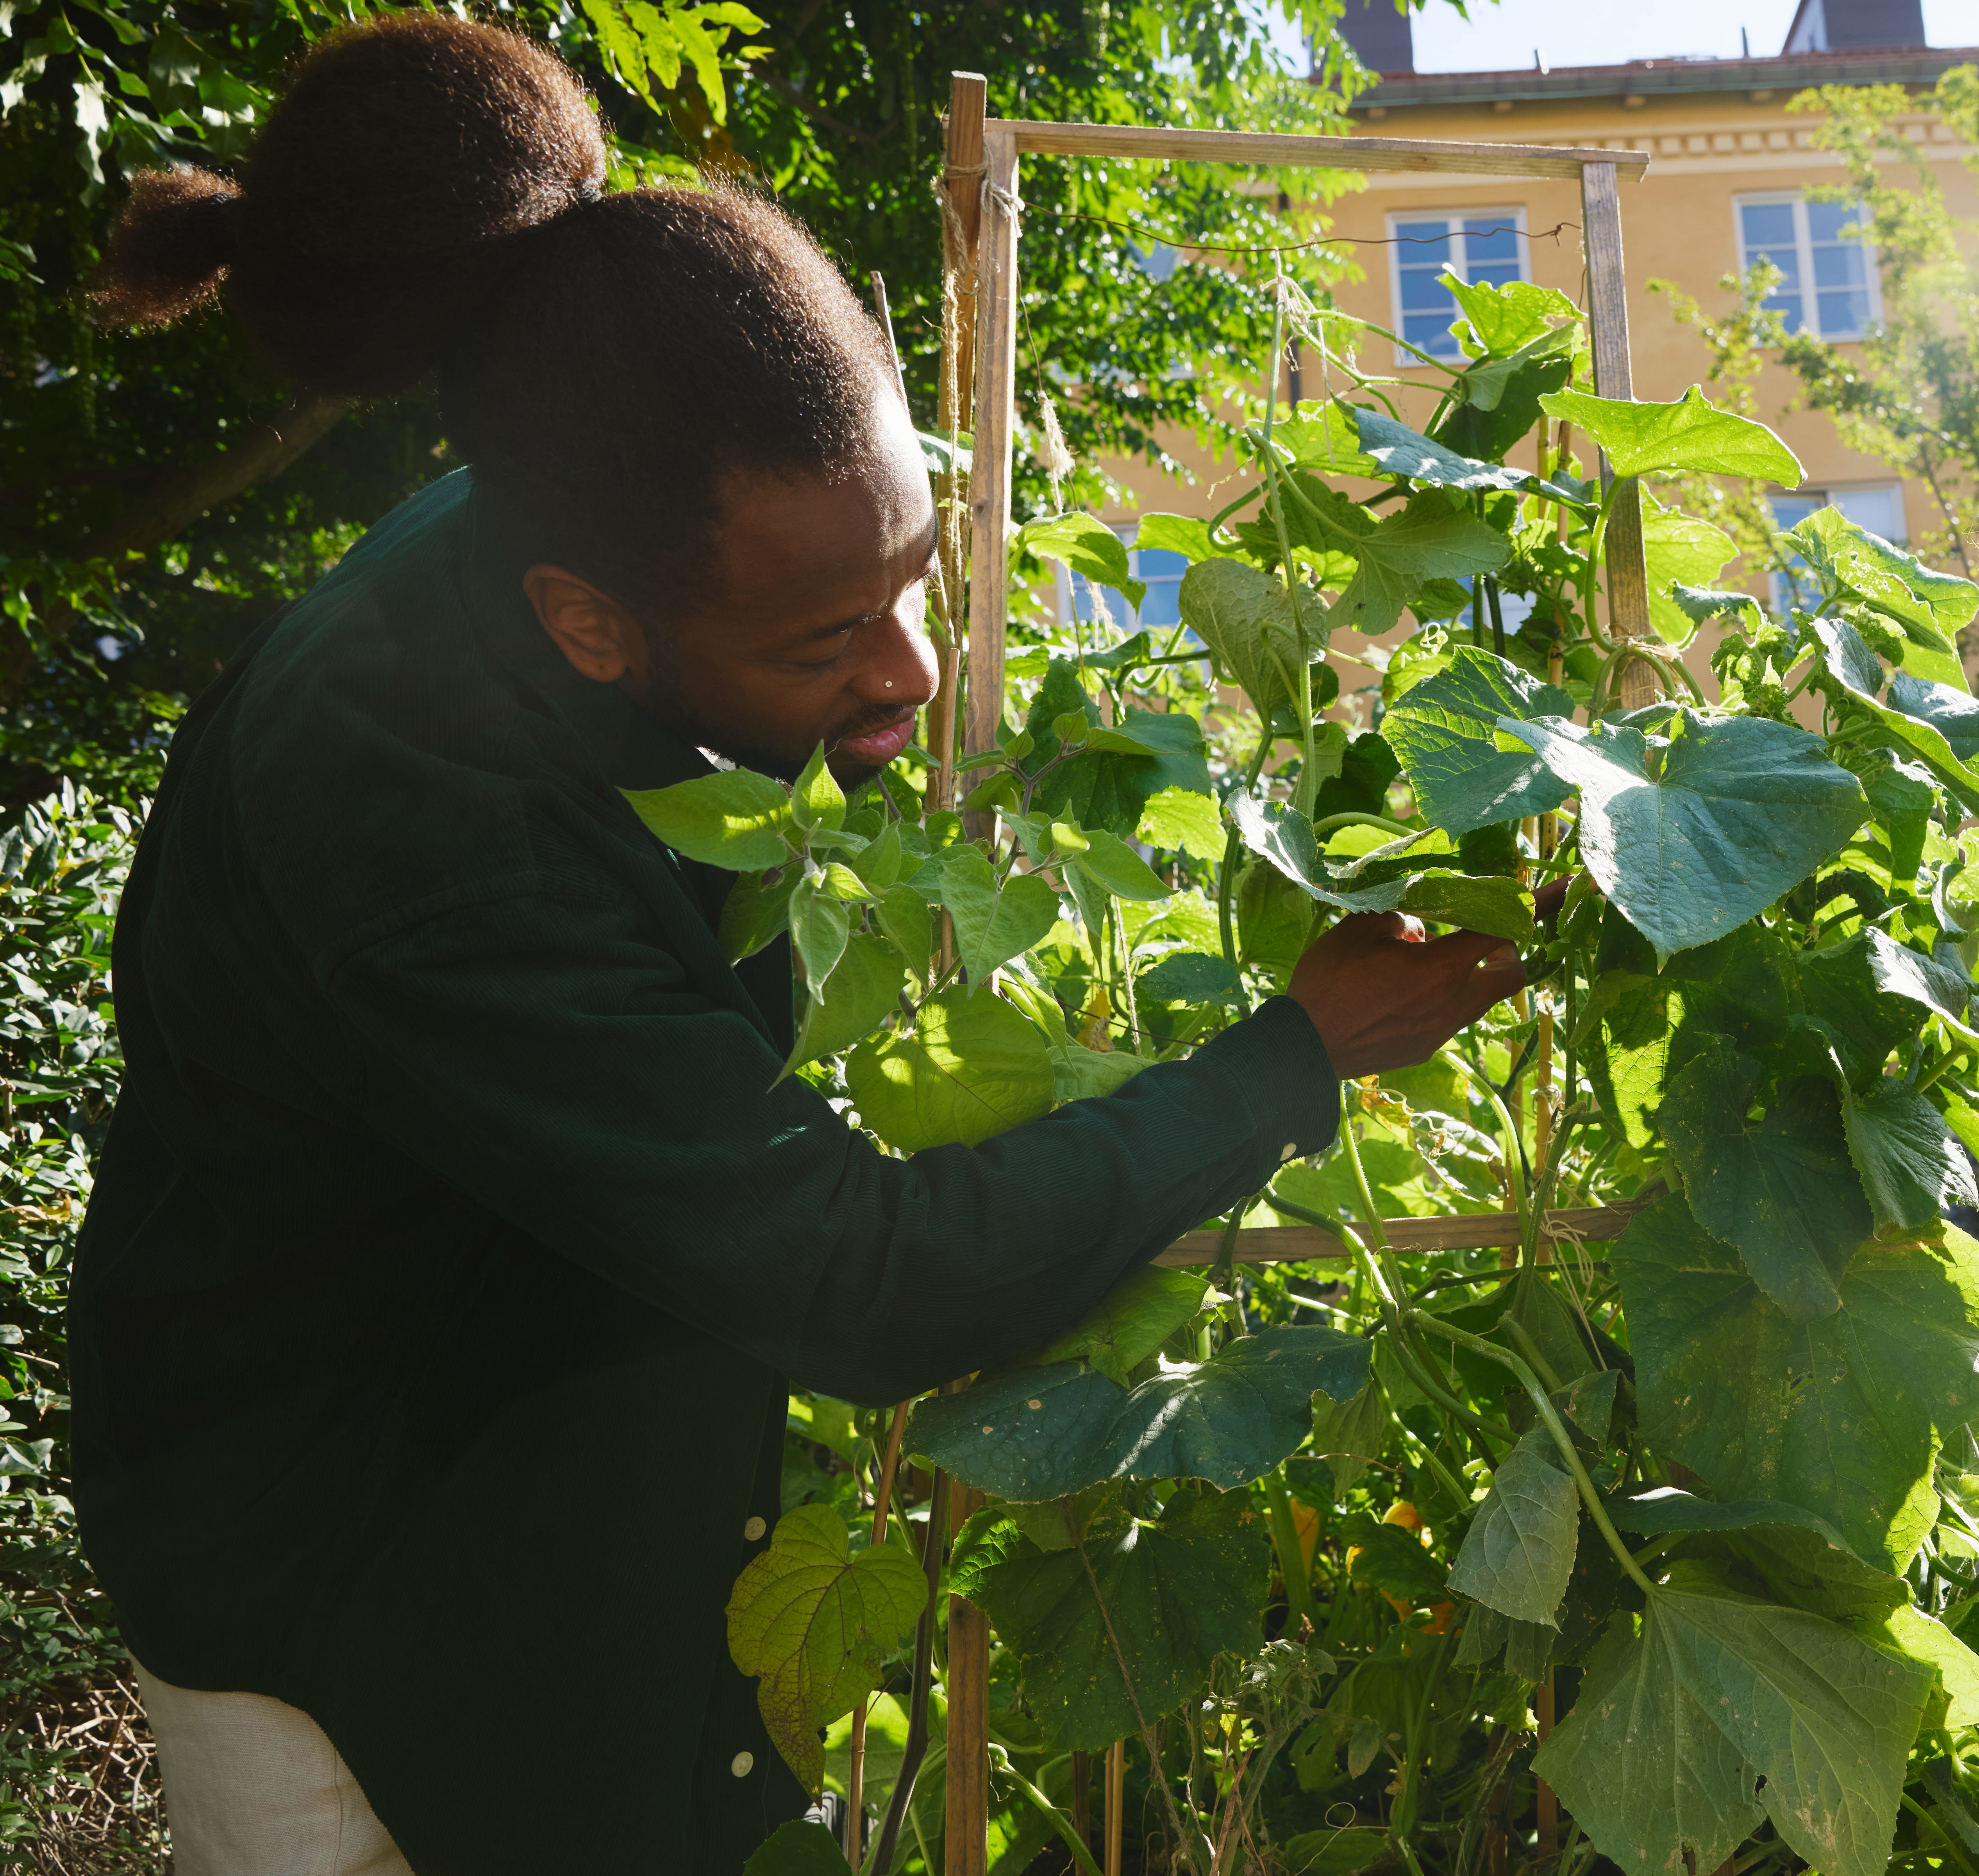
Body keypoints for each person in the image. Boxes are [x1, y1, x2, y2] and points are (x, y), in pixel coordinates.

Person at [71, 18, 1525, 1874]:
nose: (910, 677)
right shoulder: (405, 814)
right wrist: (1287, 1057)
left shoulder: (597, 495)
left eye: (911, 577)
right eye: (828, 630)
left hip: (522, 1470)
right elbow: (853, 1280)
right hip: (353, 1593)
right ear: (588, 624)